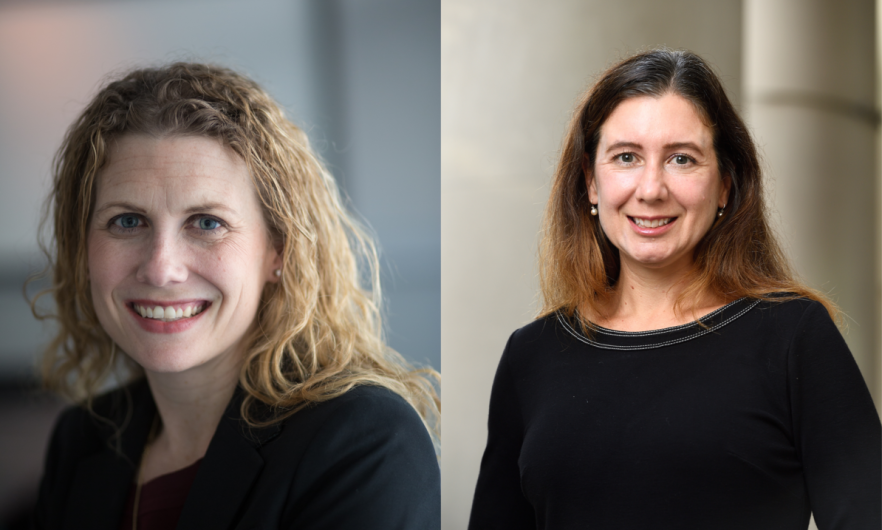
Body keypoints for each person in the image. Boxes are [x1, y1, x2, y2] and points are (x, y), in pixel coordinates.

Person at [468, 49, 882, 530]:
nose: (651, 189)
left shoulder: (793, 337)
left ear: (725, 184)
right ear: (591, 182)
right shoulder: (531, 356)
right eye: (626, 157)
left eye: (681, 159)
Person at [32, 62, 440, 529]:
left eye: (207, 223)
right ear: (82, 247)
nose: (162, 268)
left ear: (279, 250)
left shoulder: (365, 443)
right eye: (128, 221)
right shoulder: (81, 441)